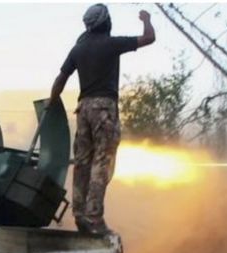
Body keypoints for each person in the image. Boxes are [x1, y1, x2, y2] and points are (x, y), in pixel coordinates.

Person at [47, 4, 155, 235]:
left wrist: (51, 101)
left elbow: (60, 78)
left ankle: (79, 215)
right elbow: (149, 38)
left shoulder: (78, 49)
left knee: (82, 163)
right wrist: (146, 18)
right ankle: (94, 218)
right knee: (102, 162)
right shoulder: (111, 44)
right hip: (104, 108)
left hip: (83, 108)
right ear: (106, 22)